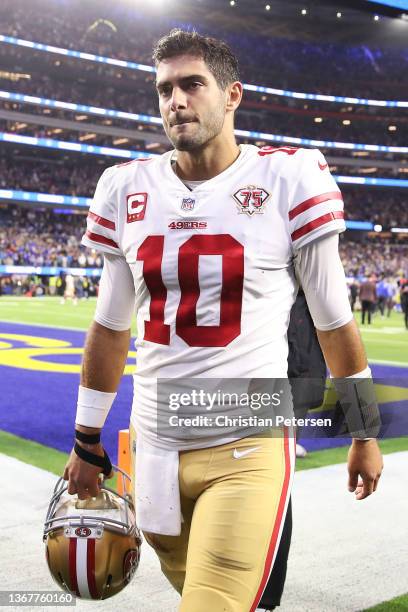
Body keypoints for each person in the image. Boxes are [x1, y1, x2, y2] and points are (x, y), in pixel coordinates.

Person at [63, 30, 383, 612]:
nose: (176, 101)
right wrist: (87, 439)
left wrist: (363, 430)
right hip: (152, 446)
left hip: (246, 442)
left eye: (192, 84)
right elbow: (111, 326)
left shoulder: (287, 179)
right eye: (164, 89)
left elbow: (334, 319)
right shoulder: (127, 186)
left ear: (232, 94)